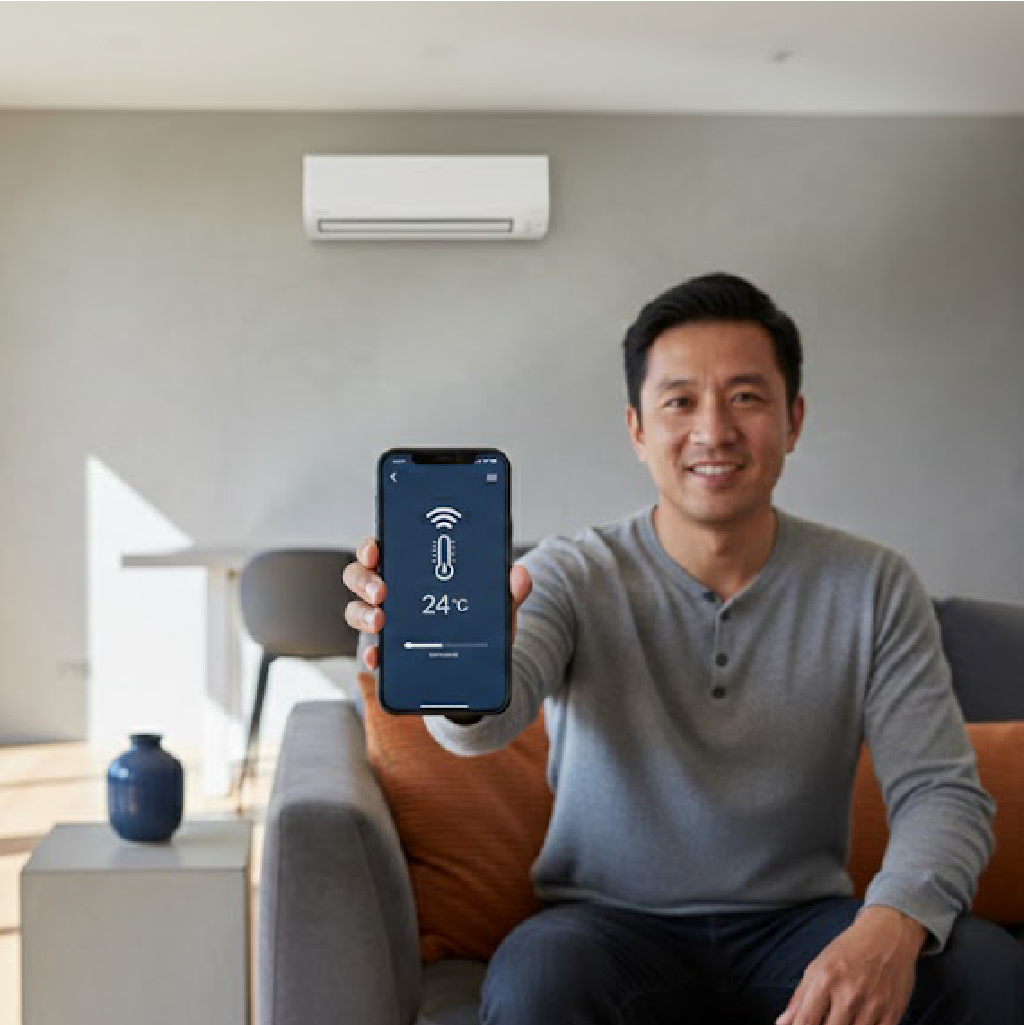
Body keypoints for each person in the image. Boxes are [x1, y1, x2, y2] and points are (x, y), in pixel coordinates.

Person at [343, 273, 1024, 1024]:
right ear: (636, 428)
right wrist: (455, 665)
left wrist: (892, 922)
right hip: (605, 926)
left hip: (799, 922)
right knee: (538, 979)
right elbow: (482, 723)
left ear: (793, 420)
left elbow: (940, 789)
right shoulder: (569, 572)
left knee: (986, 970)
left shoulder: (872, 584)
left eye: (746, 396)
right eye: (679, 401)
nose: (713, 430)